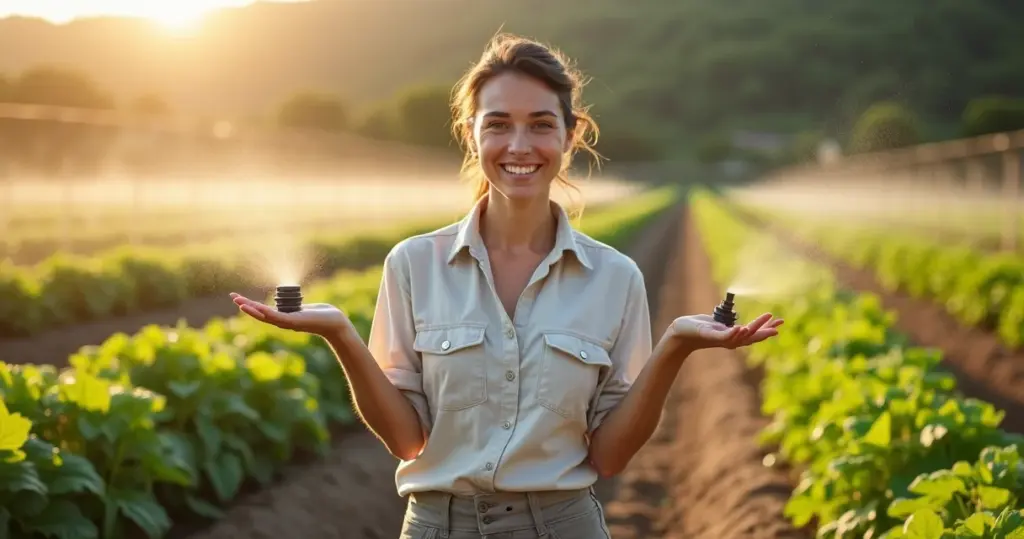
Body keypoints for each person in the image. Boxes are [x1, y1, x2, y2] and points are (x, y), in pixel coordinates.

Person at [230, 32, 783, 539]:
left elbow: (610, 458)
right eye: (497, 124)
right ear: (470, 134)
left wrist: (675, 347)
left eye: (541, 124)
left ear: (571, 134)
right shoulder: (414, 265)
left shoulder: (615, 278)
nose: (519, 145)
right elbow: (407, 441)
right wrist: (341, 336)